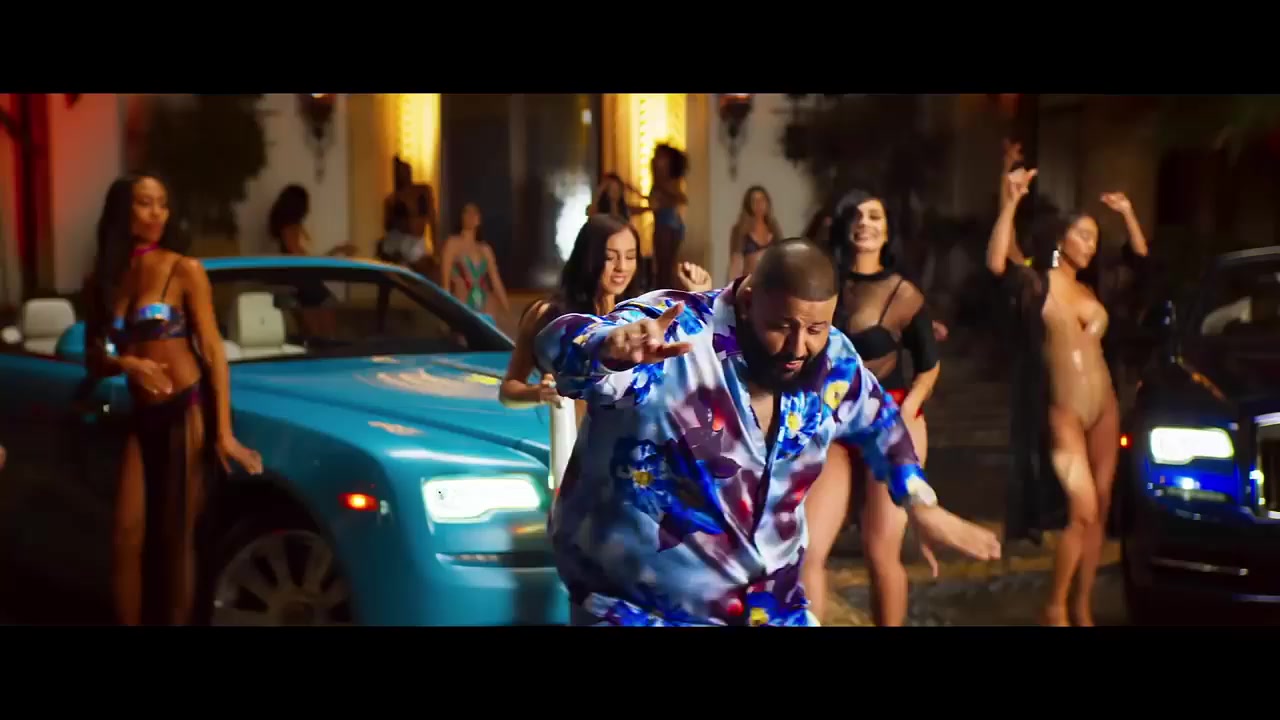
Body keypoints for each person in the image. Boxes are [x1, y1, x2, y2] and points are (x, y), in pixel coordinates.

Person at [534, 238, 1000, 626]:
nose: (799, 347)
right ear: (748, 300)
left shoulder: (833, 359)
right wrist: (607, 347)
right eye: (782, 326)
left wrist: (919, 502)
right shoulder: (673, 331)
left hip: (769, 607)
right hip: (640, 610)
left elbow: (881, 422)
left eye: (816, 328)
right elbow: (558, 346)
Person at [83, 174, 263, 626]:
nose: (157, 213)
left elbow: (214, 352)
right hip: (142, 415)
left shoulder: (185, 269)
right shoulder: (104, 279)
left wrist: (225, 434)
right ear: (123, 210)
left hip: (186, 408)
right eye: (145, 203)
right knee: (126, 536)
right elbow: (95, 360)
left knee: (178, 539)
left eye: (163, 203)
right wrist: (127, 363)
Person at [986, 164, 1149, 627]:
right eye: (1083, 235)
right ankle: (1055, 605)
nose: (1091, 245)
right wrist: (1011, 201)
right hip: (1062, 409)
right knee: (1082, 511)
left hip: (1104, 406)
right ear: (1061, 239)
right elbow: (998, 263)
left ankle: (1082, 604)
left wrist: (1128, 213)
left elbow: (1140, 262)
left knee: (1100, 510)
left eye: (1095, 237)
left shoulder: (1093, 288)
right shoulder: (1037, 283)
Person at [801, 189, 942, 625]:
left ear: (887, 229)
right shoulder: (823, 283)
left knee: (881, 551)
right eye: (857, 216)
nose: (865, 223)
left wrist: (908, 412)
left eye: (875, 216)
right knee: (807, 550)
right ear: (845, 226)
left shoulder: (903, 292)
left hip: (891, 417)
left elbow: (929, 366)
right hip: (833, 423)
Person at [500, 214, 711, 486]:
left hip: (636, 463)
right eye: (610, 257)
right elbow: (509, 390)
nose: (621, 267)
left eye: (630, 256)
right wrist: (539, 393)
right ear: (588, 257)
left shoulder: (643, 316)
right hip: (574, 463)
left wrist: (698, 298)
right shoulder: (547, 316)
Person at [438, 202, 511, 316]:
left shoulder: (485, 249)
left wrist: (508, 311)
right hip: (462, 304)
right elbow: (445, 284)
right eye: (467, 212)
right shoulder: (452, 244)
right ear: (461, 217)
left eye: (474, 212)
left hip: (485, 306)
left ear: (479, 219)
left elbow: (496, 282)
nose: (471, 215)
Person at [648, 144, 688, 290]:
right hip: (665, 224)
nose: (656, 160)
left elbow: (681, 199)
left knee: (665, 269)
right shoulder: (660, 181)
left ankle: (665, 295)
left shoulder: (670, 182)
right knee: (663, 268)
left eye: (660, 157)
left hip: (668, 225)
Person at [728, 185, 783, 281]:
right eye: (754, 200)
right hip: (750, 283)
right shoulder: (741, 230)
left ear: (767, 203)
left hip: (771, 284)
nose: (759, 204)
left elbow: (781, 260)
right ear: (749, 205)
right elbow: (735, 265)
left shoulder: (774, 229)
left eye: (762, 200)